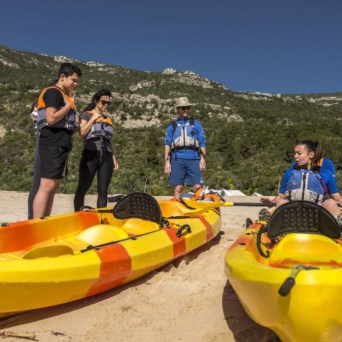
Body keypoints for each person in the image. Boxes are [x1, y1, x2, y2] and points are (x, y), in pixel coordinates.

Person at [33, 62, 81, 218]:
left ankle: (44, 221)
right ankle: (37, 224)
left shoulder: (64, 96)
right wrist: (70, 106)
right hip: (52, 141)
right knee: (46, 185)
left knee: (53, 186)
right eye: (73, 80)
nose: (76, 83)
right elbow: (51, 118)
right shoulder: (54, 92)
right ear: (62, 77)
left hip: (61, 144)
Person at [261, 140, 342, 225]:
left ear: (311, 154)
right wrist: (271, 202)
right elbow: (281, 195)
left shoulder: (326, 173)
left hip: (318, 209)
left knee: (330, 202)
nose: (295, 156)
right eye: (295, 153)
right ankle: (270, 219)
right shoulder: (290, 173)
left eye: (299, 153)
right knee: (282, 202)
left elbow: (336, 196)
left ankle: (339, 220)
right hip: (294, 208)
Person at [74, 89, 119, 211]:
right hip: (90, 154)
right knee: (83, 187)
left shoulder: (108, 119)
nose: (105, 105)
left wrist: (114, 158)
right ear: (95, 101)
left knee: (103, 190)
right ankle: (78, 216)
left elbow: (108, 140)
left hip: (107, 156)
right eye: (103, 102)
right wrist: (94, 118)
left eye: (108, 103)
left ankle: (101, 219)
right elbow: (82, 133)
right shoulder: (86, 115)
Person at [164, 96, 206, 201]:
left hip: (194, 159)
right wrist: (167, 163)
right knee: (178, 188)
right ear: (178, 109)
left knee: (198, 187)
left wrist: (203, 159)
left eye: (187, 108)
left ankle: (199, 210)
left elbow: (202, 143)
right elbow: (167, 145)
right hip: (177, 159)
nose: (186, 110)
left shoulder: (196, 124)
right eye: (183, 108)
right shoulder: (172, 126)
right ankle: (177, 211)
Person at [27, 103, 40, 219]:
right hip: (42, 150)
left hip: (45, 150)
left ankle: (34, 216)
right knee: (37, 186)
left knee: (39, 187)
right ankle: (31, 217)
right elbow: (34, 114)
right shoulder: (36, 114)